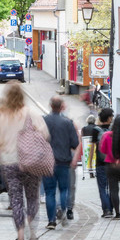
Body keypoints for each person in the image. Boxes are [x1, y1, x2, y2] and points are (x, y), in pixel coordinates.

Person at [0, 82, 50, 240]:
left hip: (9, 161)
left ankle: (20, 235)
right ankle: (33, 233)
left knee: (15, 198)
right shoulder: (31, 113)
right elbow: (45, 134)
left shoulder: (1, 115)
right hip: (30, 161)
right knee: (32, 197)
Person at [43, 96, 79, 229]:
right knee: (64, 189)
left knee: (49, 192)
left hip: (47, 162)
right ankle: (63, 210)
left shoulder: (44, 121)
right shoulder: (67, 122)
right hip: (63, 161)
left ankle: (51, 221)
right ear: (61, 107)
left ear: (50, 105)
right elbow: (75, 143)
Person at [90, 109, 114, 217]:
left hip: (100, 163)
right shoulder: (114, 130)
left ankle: (107, 210)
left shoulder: (96, 130)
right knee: (112, 187)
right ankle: (112, 208)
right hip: (112, 162)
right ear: (109, 118)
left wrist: (90, 162)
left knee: (102, 187)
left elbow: (92, 148)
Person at [99, 128, 120, 219]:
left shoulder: (106, 135)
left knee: (113, 190)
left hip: (110, 164)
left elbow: (102, 150)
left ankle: (117, 213)